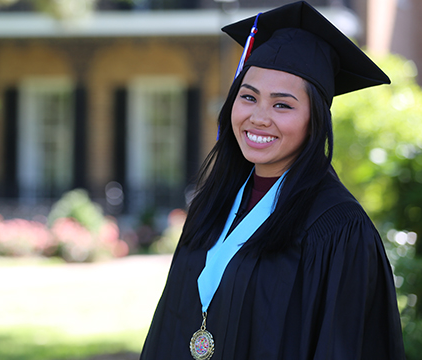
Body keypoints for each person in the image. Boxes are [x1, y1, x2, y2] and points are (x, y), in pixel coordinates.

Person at [139, 2, 405, 359]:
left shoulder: (339, 230)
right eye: (248, 97)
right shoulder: (215, 202)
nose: (259, 117)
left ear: (316, 120)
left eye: (283, 105)